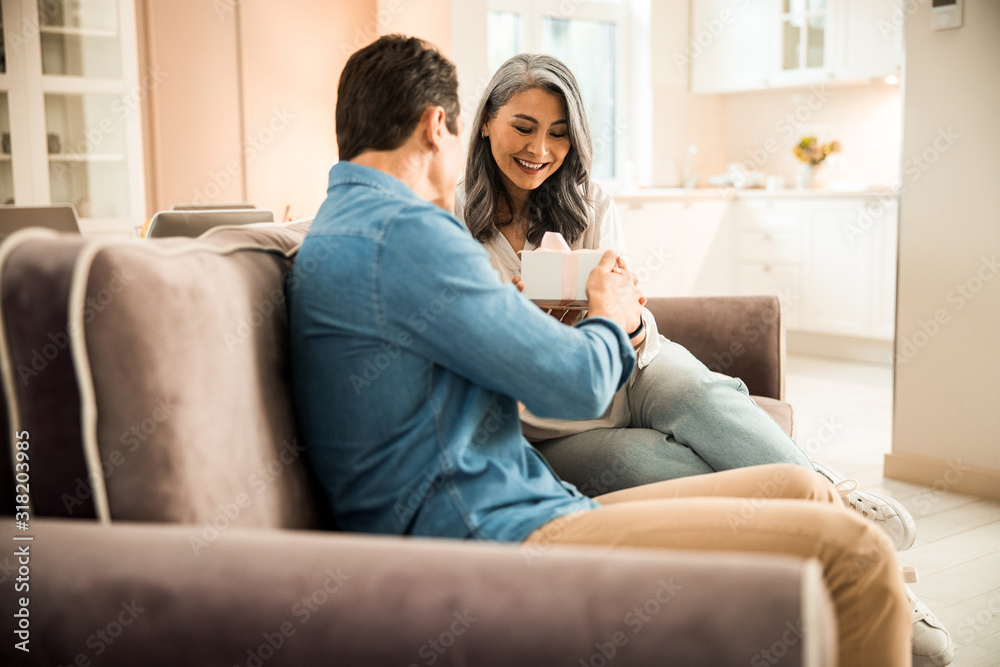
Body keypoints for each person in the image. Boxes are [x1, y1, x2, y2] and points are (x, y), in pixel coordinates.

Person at [288, 34, 913, 665]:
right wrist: (609, 312)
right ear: (438, 127)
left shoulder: (344, 226)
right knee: (855, 554)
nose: (539, 149)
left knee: (799, 490)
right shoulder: (414, 233)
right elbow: (578, 384)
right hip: (498, 532)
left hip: (518, 502)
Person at [455, 52, 952, 667]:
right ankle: (865, 575)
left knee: (702, 394)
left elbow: (629, 311)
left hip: (634, 365)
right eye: (523, 127)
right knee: (655, 463)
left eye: (559, 133)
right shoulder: (453, 231)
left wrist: (628, 321)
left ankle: (845, 512)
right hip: (553, 423)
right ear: (485, 124)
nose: (540, 148)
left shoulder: (589, 202)